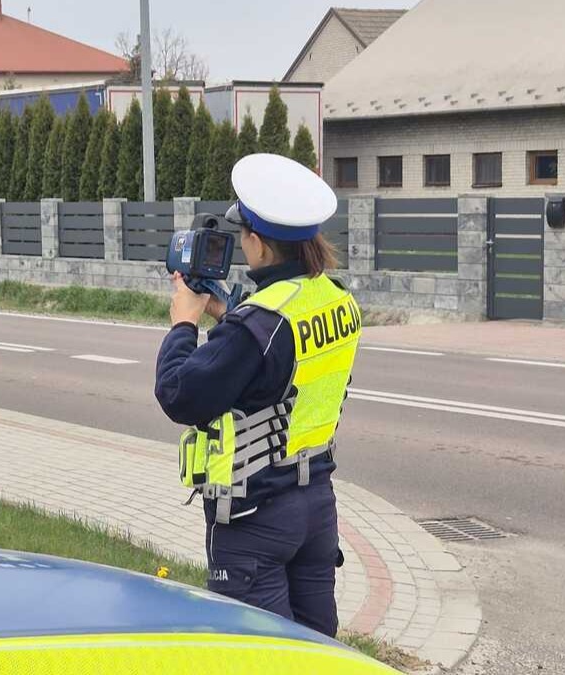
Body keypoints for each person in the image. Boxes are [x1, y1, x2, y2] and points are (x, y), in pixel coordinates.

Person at [154, 153, 362, 638]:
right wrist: (231, 312)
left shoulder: (257, 326)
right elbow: (286, 361)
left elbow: (179, 393)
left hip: (256, 518)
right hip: (315, 505)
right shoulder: (335, 297)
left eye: (243, 234)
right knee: (316, 653)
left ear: (260, 246)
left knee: (258, 654)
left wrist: (184, 321)